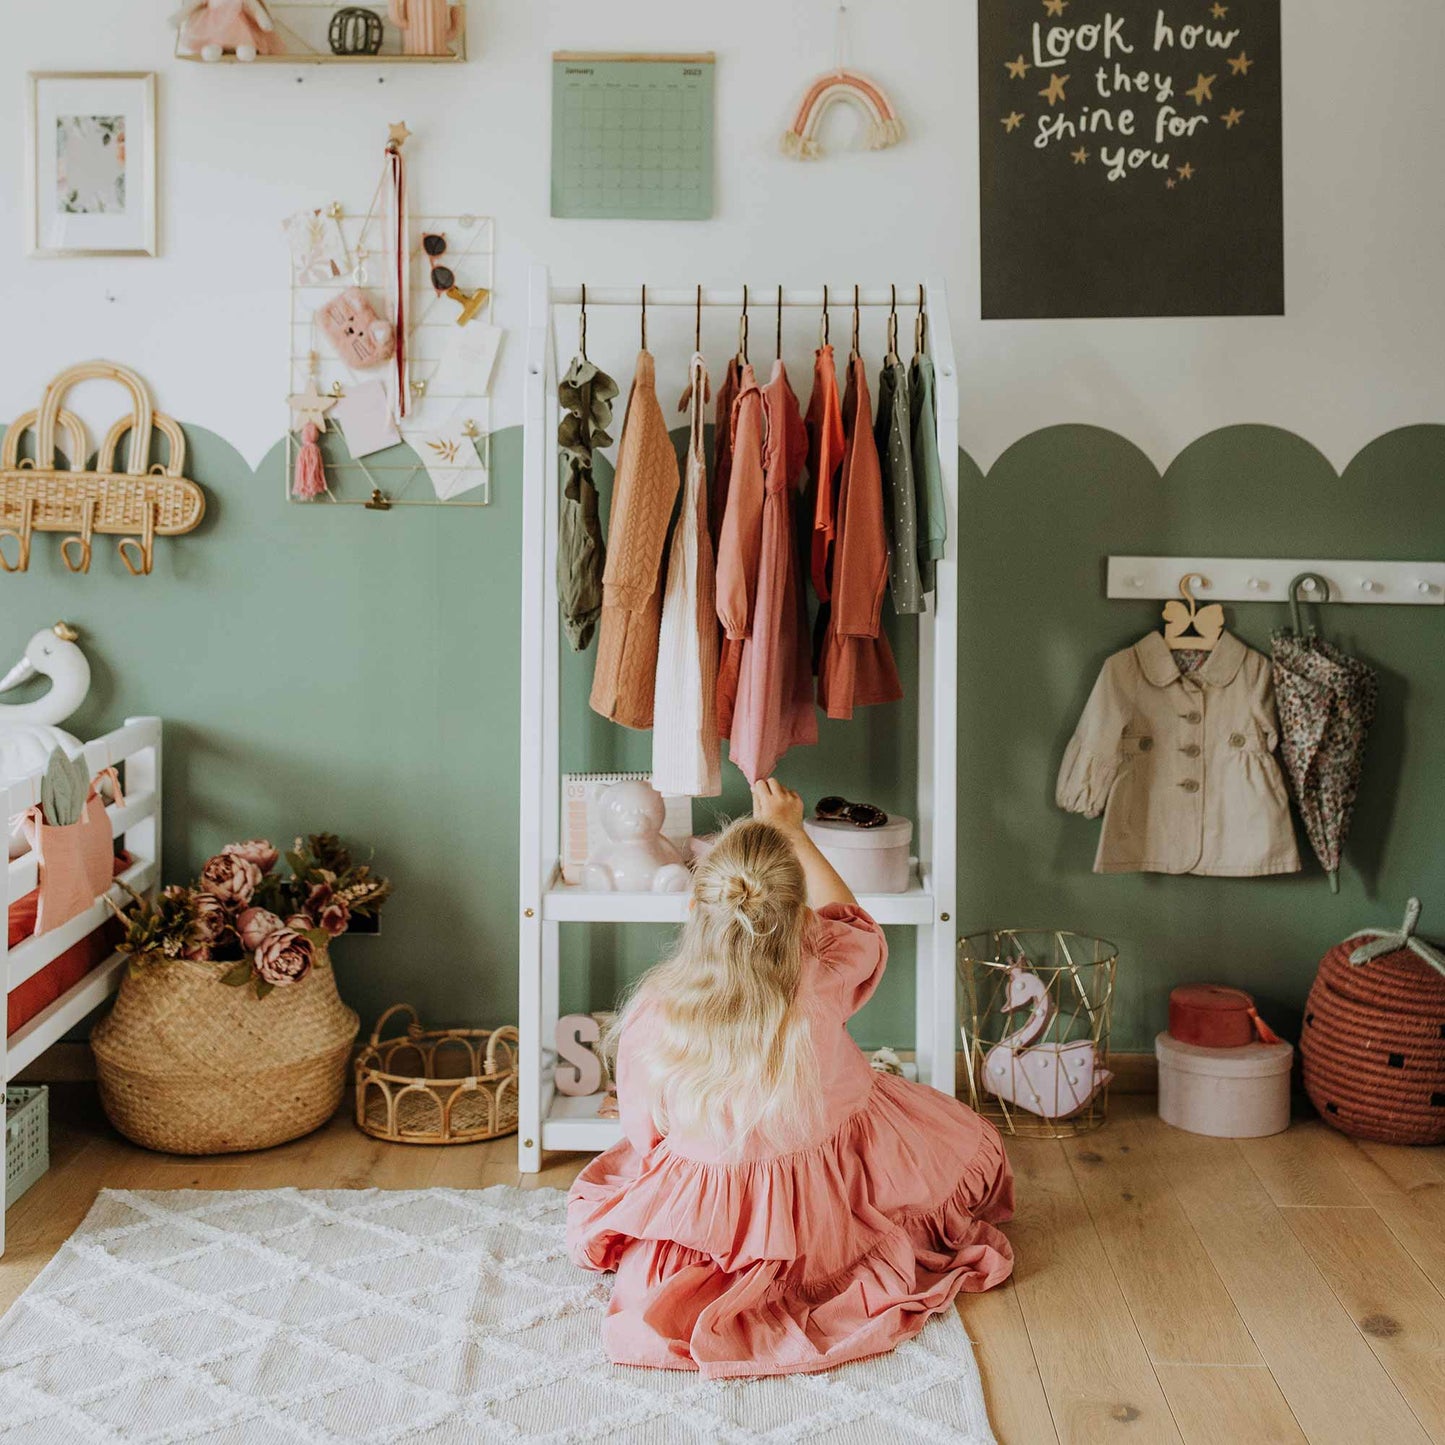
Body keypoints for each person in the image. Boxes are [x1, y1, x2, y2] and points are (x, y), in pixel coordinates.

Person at [567, 779, 1015, 1379]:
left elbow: (647, 1132)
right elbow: (856, 922)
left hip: (717, 1190)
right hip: (827, 1178)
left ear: (697, 908)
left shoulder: (657, 1007)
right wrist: (793, 831)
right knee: (941, 1143)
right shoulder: (823, 970)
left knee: (655, 1192)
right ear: (796, 915)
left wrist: (674, 1179)